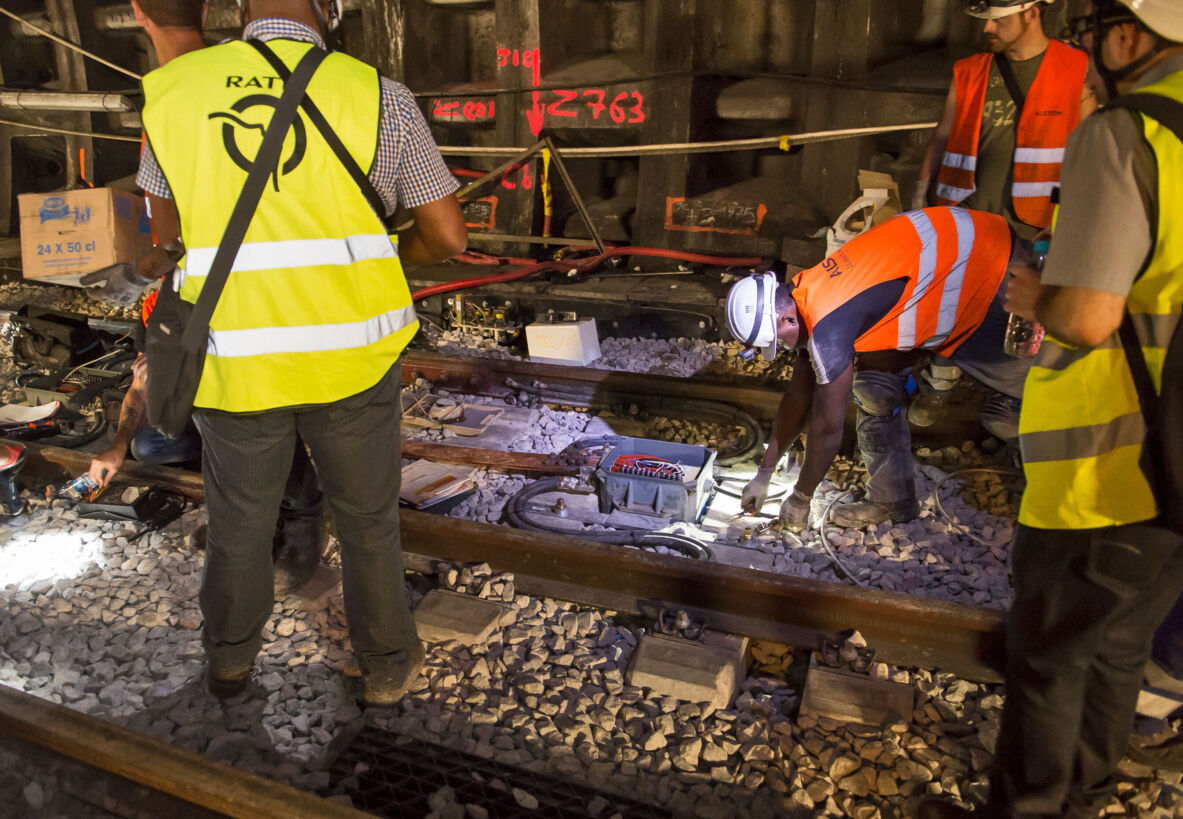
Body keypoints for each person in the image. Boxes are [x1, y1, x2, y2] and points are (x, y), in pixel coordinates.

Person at [136, 0, 466, 702]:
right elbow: (447, 235)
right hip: (352, 359)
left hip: (234, 358)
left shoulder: (172, 92)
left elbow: (167, 236)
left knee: (238, 522)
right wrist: (386, 253)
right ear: (328, 5)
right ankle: (385, 666)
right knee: (368, 521)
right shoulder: (379, 95)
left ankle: (229, 663)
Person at [920, 1, 1183, 816]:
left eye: (1099, 25)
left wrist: (1037, 296)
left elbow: (1087, 316)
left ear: (1129, 34)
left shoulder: (1129, 133)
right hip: (1177, 459)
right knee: (1117, 647)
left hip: (1107, 460)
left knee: (1047, 658)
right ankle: (1082, 800)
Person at [728, 206, 1031, 530]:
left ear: (787, 319)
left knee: (1013, 412)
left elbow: (827, 428)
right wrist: (764, 473)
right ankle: (893, 501)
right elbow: (799, 397)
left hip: (994, 272)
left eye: (781, 342)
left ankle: (1047, 506)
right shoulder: (802, 294)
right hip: (948, 263)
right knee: (874, 390)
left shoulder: (827, 326)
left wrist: (801, 498)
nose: (787, 349)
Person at [909, 0, 1096, 429]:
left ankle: (1009, 396)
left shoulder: (1075, 69)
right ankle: (939, 382)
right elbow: (942, 136)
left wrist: (1072, 218)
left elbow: (1088, 151)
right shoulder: (970, 71)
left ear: (1032, 13)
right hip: (967, 214)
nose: (988, 28)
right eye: (986, 20)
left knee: (1020, 314)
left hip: (1035, 221)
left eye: (999, 19)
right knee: (953, 300)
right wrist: (921, 194)